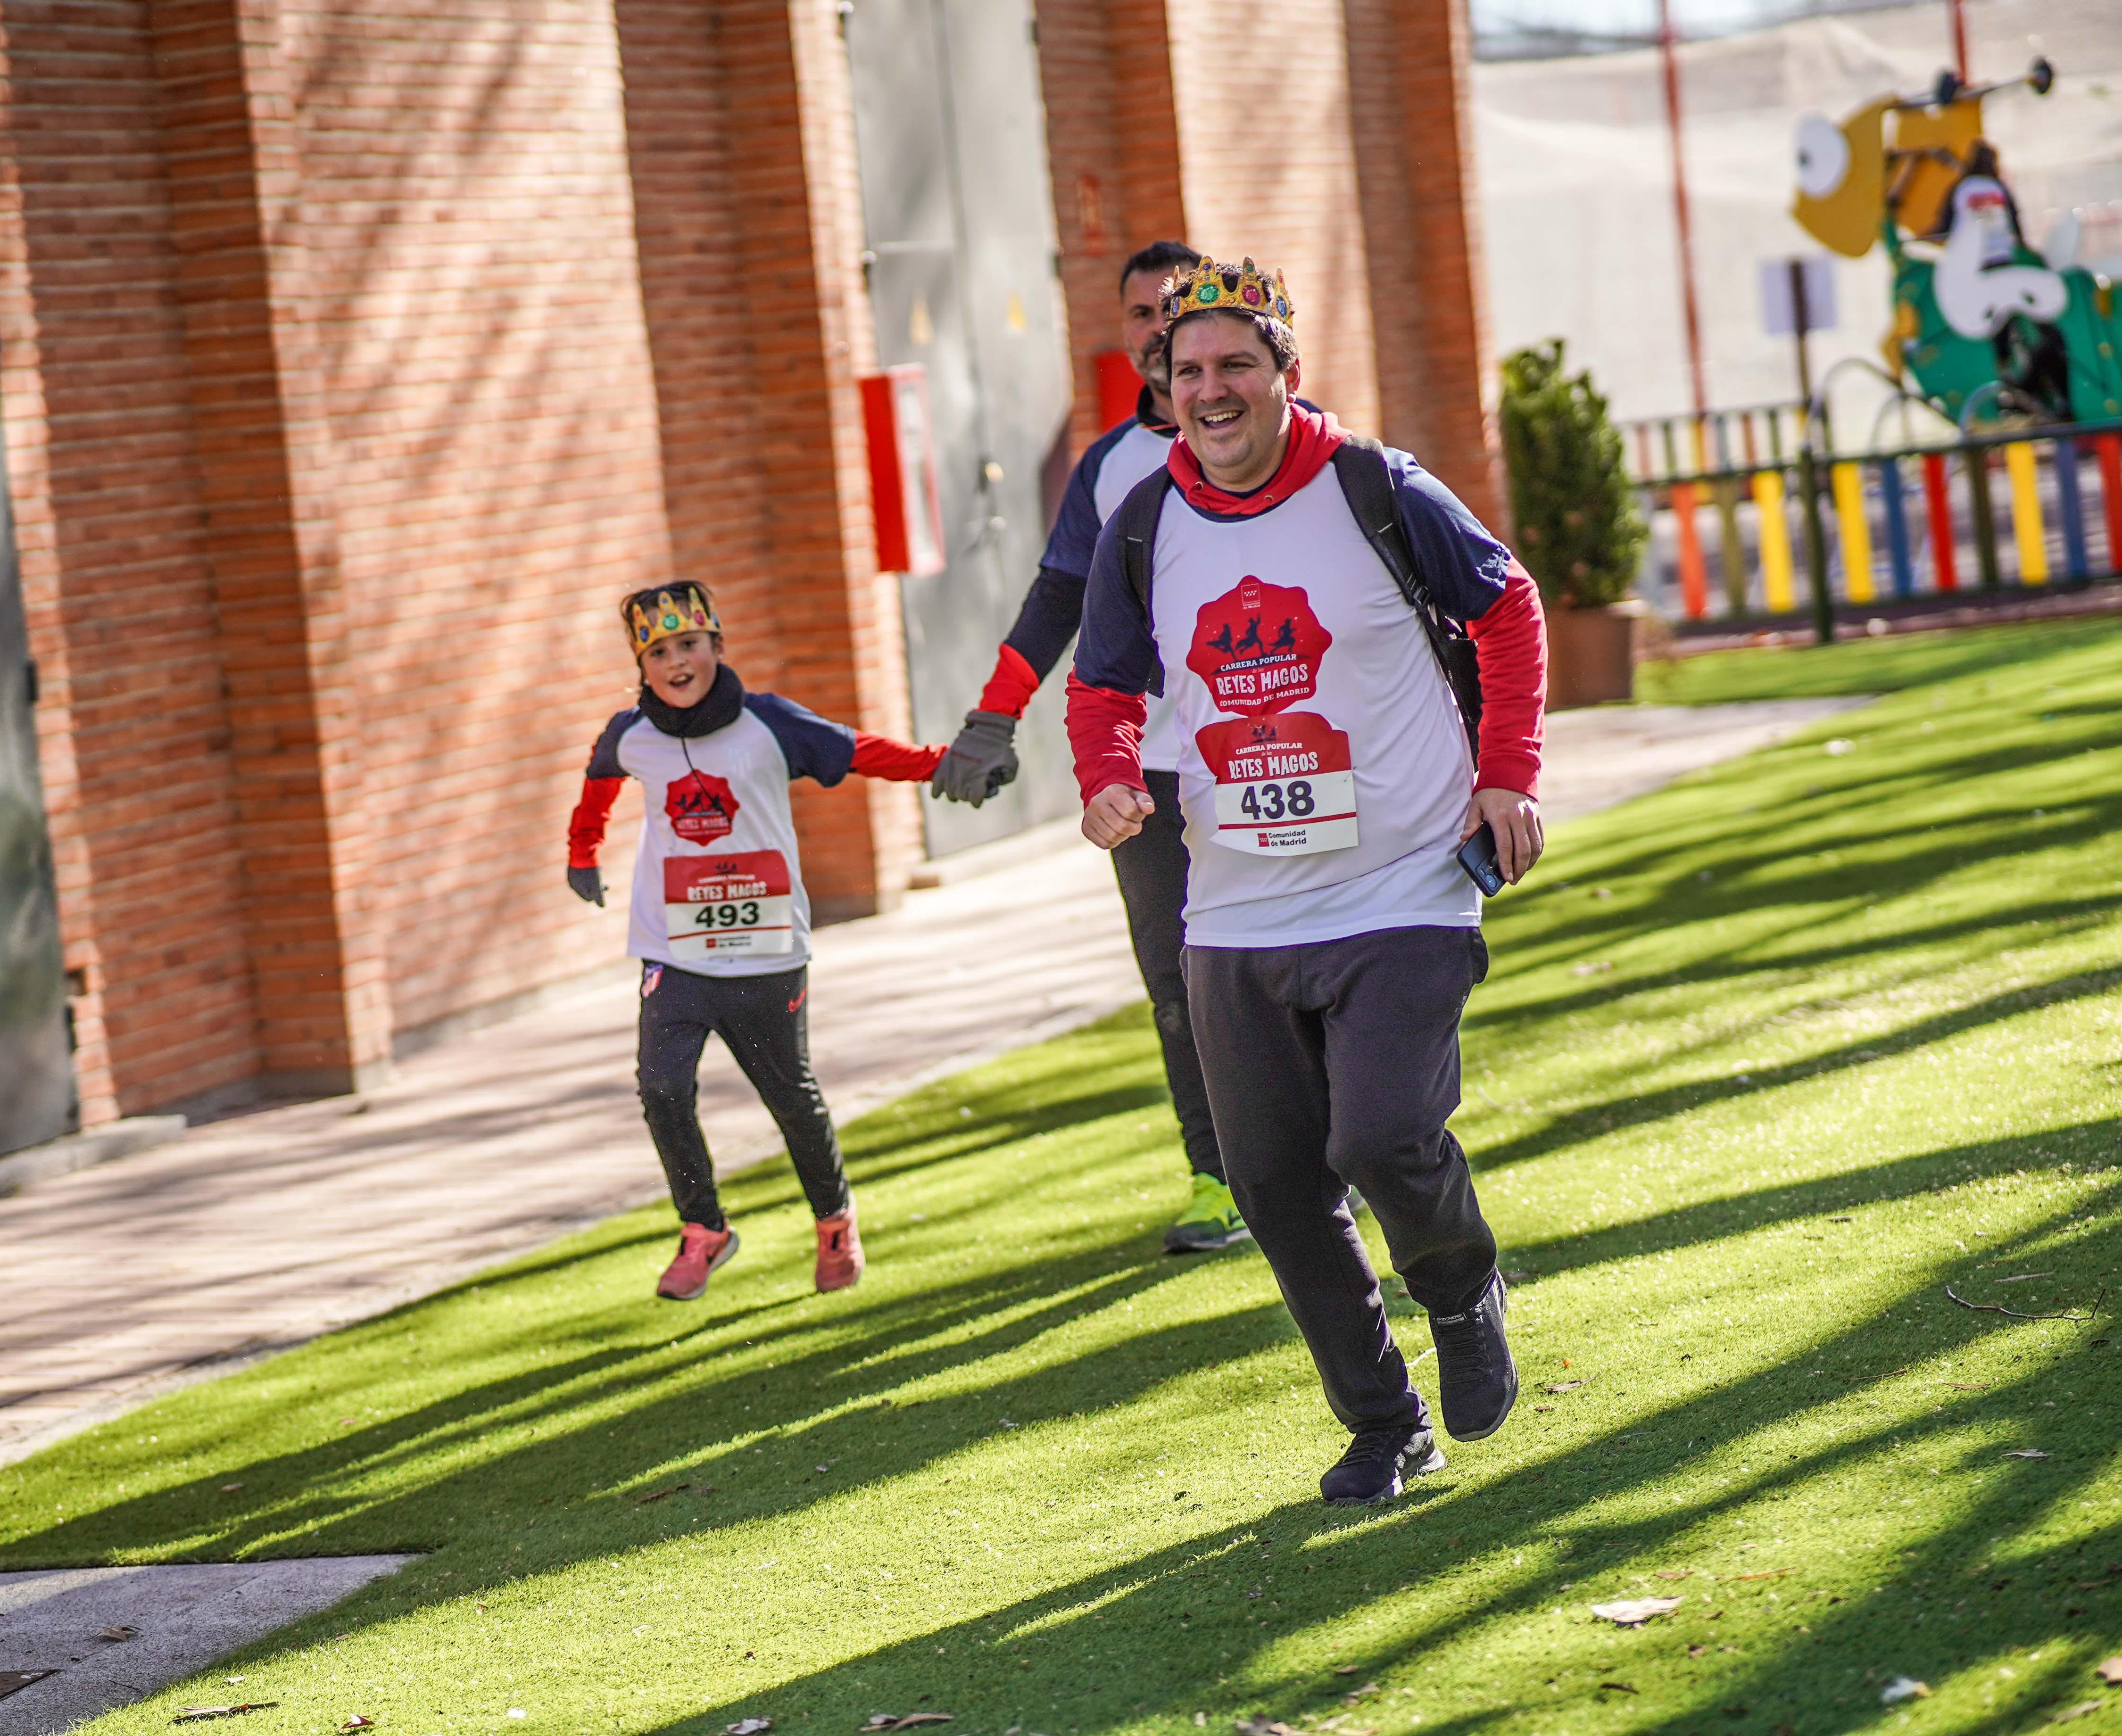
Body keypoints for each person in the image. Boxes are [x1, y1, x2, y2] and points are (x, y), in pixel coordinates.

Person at [1064, 258, 1547, 1504]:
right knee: (1277, 1186)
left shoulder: (1374, 488)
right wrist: (1110, 773)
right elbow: (1105, 683)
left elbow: (1508, 607)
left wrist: (1509, 773)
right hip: (1235, 910)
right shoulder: (1144, 525)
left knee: (1382, 1134)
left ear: (1288, 373)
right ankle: (1387, 1427)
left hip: (1404, 884)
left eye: (1237, 365)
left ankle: (1461, 1284)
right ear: (1162, 395)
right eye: (1188, 373)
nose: (1211, 391)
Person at [928, 239, 1250, 1254]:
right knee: (1180, 979)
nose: (1160, 329)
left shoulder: (1278, 443)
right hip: (1147, 769)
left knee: (1299, 953)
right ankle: (1218, 1176)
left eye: (1177, 306)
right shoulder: (1108, 467)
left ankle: (1335, 1148)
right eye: (1142, 315)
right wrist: (993, 713)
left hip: (1271, 749)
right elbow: (1059, 591)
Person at [566, 581, 967, 1301]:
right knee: (662, 1089)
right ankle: (704, 1230)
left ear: (717, 647)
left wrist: (945, 763)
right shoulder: (632, 735)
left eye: (690, 644)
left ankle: (835, 1222)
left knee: (790, 1098)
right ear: (642, 665)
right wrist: (582, 854)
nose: (678, 662)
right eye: (659, 651)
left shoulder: (770, 725)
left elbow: (860, 750)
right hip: (675, 949)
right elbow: (597, 784)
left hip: (767, 950)